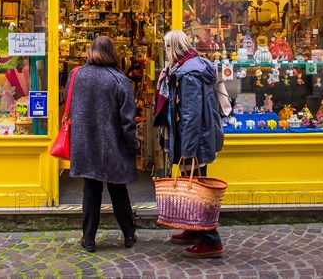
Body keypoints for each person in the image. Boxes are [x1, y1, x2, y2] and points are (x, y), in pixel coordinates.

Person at [65, 35, 140, 253]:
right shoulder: (119, 79)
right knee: (119, 190)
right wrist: (132, 145)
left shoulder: (76, 75)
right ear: (113, 53)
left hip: (85, 142)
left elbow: (68, 101)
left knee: (91, 190)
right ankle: (128, 234)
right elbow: (127, 119)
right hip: (113, 145)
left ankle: (88, 238)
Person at [154, 30, 225, 258]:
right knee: (193, 183)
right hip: (197, 135)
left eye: (166, 48)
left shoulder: (189, 74)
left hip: (194, 138)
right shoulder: (194, 65)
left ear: (172, 48)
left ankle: (211, 240)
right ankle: (194, 229)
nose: (165, 52)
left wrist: (188, 148)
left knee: (198, 188)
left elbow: (191, 114)